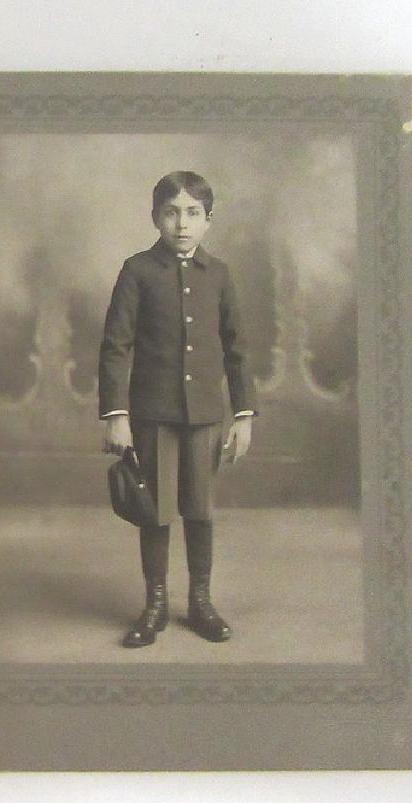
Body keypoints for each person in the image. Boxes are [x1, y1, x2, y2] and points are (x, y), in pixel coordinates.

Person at [98, 171, 256, 648]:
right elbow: (116, 347)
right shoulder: (137, 270)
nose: (182, 224)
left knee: (200, 510)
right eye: (171, 213)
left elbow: (237, 350)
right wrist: (117, 415)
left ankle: (201, 603)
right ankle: (156, 605)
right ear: (155, 218)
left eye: (192, 213)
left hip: (205, 415)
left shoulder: (219, 274)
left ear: (208, 220)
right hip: (153, 414)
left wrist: (244, 415)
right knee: (156, 511)